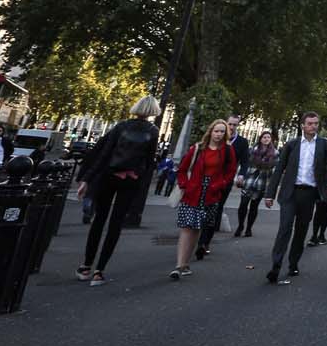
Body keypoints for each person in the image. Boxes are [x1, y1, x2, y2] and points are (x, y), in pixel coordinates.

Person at [74, 96, 161, 286]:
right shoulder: (153, 131)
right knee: (116, 224)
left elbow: (104, 154)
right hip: (131, 180)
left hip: (109, 175)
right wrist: (140, 181)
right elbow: (149, 161)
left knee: (99, 220)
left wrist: (86, 179)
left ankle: (86, 265)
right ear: (154, 111)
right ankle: (100, 270)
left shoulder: (121, 127)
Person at [264, 112, 327, 284]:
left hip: (309, 194)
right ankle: (276, 266)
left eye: (316, 123)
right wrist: (270, 194)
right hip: (290, 193)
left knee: (301, 231)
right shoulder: (292, 144)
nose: (314, 126)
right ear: (303, 126)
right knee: (284, 229)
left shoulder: (324, 145)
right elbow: (279, 170)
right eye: (310, 123)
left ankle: (293, 264)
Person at [170, 119, 237, 280]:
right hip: (193, 192)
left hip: (211, 194)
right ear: (210, 131)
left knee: (196, 229)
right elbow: (182, 169)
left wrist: (220, 184)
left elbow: (231, 171)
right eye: (216, 131)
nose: (219, 134)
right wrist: (184, 184)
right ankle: (179, 265)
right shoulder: (198, 148)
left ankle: (185, 263)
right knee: (187, 228)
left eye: (222, 131)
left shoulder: (227, 150)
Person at [196, 114, 249, 258]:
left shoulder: (242, 142)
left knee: (216, 210)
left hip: (224, 182)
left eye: (235, 125)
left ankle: (204, 242)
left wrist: (241, 175)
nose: (232, 127)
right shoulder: (214, 139)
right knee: (201, 208)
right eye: (230, 124)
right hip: (205, 180)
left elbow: (244, 161)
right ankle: (197, 237)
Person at [235, 130, 277, 237]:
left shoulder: (275, 153)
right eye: (264, 137)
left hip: (262, 182)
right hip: (249, 180)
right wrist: (241, 176)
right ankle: (240, 226)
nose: (266, 139)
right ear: (260, 139)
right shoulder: (253, 150)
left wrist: (270, 187)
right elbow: (245, 164)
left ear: (270, 139)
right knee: (243, 205)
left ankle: (249, 228)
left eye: (268, 137)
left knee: (254, 207)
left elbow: (274, 170)